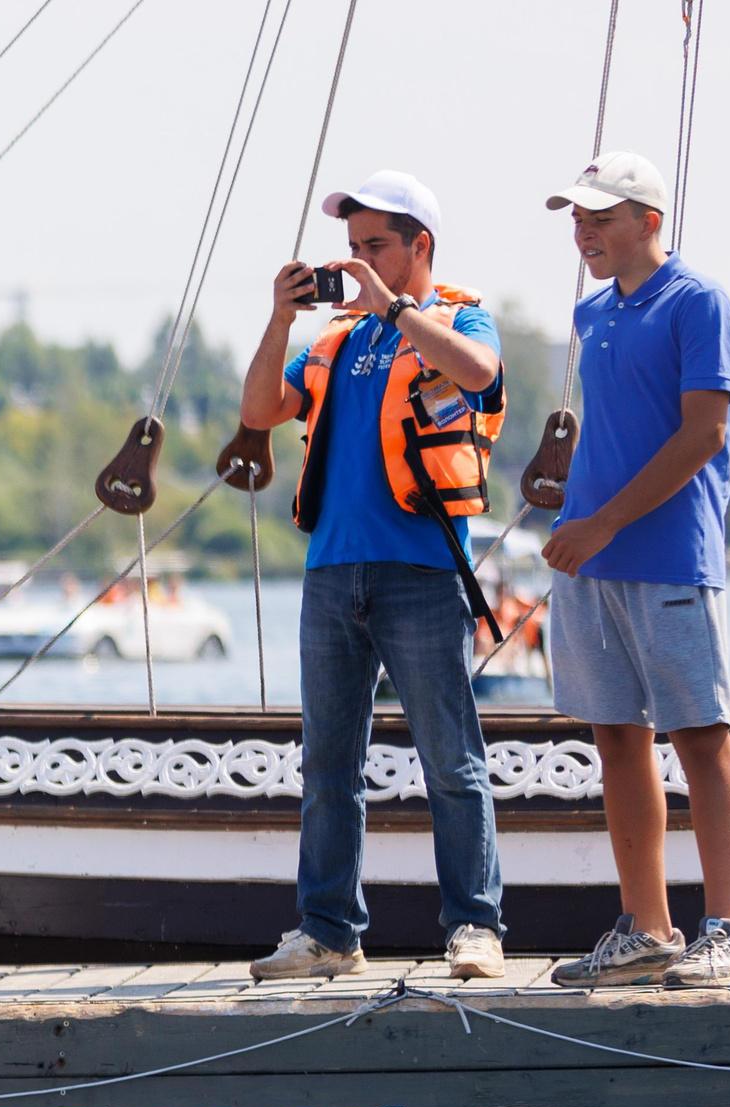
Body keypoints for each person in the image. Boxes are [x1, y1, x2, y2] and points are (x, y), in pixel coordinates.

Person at [236, 170, 508, 983]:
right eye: (352, 247)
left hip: (422, 573)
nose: (357, 261)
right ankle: (328, 932)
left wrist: (394, 308)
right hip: (332, 573)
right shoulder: (336, 339)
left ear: (419, 245)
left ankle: (476, 928)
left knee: (451, 761)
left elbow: (479, 373)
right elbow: (258, 412)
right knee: (327, 766)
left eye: (375, 246)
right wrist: (280, 317)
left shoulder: (459, 317)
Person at [535, 153, 730, 989]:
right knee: (616, 737)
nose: (583, 232)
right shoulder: (593, 312)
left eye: (601, 217)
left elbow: (705, 435)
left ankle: (727, 933)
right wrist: (579, 525)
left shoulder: (699, 301)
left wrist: (601, 524)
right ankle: (649, 931)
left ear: (649, 221)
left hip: (666, 557)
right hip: (590, 559)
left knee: (701, 738)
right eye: (577, 219)